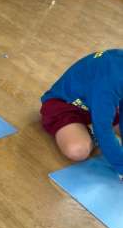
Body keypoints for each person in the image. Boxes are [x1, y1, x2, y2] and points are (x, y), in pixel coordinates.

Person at [41, 50, 123, 178]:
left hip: (99, 105)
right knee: (78, 150)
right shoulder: (111, 81)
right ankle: (90, 131)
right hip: (66, 105)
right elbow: (103, 129)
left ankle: (92, 129)